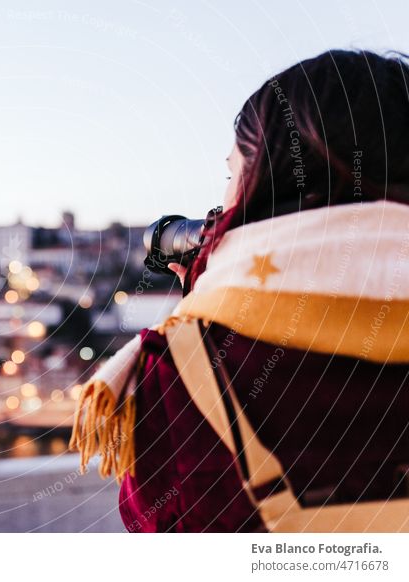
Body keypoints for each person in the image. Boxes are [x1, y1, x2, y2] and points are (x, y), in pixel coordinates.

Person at [70, 49, 409, 532]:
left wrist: (202, 311)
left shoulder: (189, 365)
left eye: (232, 176)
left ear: (267, 183)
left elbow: (159, 518)